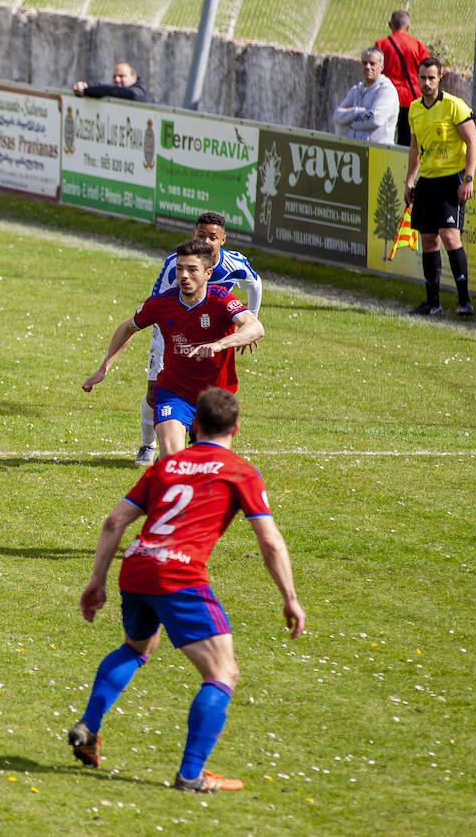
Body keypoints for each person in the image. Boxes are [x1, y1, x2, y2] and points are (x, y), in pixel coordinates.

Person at [67, 386, 304, 792]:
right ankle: (191, 774)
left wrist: (97, 580)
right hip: (178, 575)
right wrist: (290, 597)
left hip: (136, 567)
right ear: (236, 428)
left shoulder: (166, 466)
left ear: (194, 425)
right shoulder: (239, 471)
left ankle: (89, 725)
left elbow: (113, 522)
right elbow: (269, 542)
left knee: (138, 647)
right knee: (223, 673)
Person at [83, 238, 263, 461]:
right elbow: (128, 327)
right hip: (174, 393)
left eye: (192, 269)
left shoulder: (221, 299)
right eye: (179, 269)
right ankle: (161, 456)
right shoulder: (160, 303)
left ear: (208, 273)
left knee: (207, 463)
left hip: (216, 396)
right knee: (173, 458)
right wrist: (104, 367)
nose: (184, 275)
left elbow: (255, 326)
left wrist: (219, 344)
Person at [130, 214, 261, 466]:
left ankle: (189, 442)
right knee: (152, 392)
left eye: (212, 237)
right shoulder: (174, 266)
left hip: (210, 333)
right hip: (169, 330)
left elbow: (255, 285)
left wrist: (248, 324)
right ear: (193, 235)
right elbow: (155, 311)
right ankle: (148, 445)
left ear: (223, 240)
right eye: (201, 235)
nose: (206, 241)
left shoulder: (234, 266)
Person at [405, 57, 476, 318]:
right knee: (428, 239)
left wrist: (468, 178)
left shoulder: (453, 106)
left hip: (451, 181)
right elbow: (415, 149)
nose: (426, 83)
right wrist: (410, 181)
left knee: (450, 236)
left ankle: (464, 301)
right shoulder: (414, 109)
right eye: (423, 77)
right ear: (418, 77)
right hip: (427, 181)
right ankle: (432, 303)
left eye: (431, 78)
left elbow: (472, 142)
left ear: (440, 78)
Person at [375, 10, 429, 146]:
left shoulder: (381, 44)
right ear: (408, 27)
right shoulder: (417, 45)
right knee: (407, 141)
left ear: (389, 25)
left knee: (384, 138)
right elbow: (428, 68)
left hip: (387, 97)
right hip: (411, 98)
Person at [333, 46, 398, 144]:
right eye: (364, 63)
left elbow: (375, 119)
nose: (368, 67)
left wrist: (348, 120)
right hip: (355, 151)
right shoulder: (356, 90)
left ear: (381, 66)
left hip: (379, 153)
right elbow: (337, 115)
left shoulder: (386, 90)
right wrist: (360, 111)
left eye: (372, 63)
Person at [73, 62, 155, 104]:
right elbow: (107, 88)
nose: (117, 79)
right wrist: (87, 85)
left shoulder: (140, 90)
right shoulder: (118, 88)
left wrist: (87, 90)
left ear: (134, 78)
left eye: (122, 76)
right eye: (114, 77)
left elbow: (130, 94)